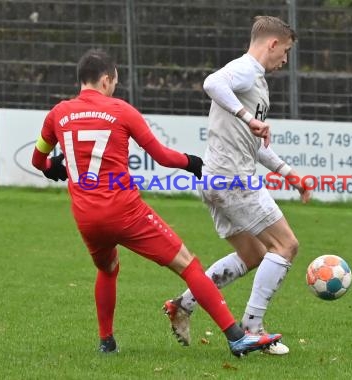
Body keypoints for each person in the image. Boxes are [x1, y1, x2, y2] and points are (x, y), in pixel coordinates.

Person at [31, 48, 282, 357]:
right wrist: (192, 162)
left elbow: (38, 159)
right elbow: (162, 156)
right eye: (115, 81)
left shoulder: (58, 114)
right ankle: (235, 336)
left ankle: (106, 342)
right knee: (188, 265)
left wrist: (53, 168)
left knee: (108, 270)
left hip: (86, 217)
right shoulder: (121, 110)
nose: (115, 87)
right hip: (125, 211)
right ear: (106, 79)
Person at [164, 16, 309, 355]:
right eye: (285, 51)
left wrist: (290, 174)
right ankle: (253, 327)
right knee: (286, 246)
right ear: (272, 44)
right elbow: (211, 82)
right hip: (234, 179)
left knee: (254, 254)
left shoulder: (252, 80)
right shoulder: (245, 69)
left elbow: (254, 144)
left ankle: (182, 306)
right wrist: (249, 118)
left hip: (217, 179)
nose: (285, 60)